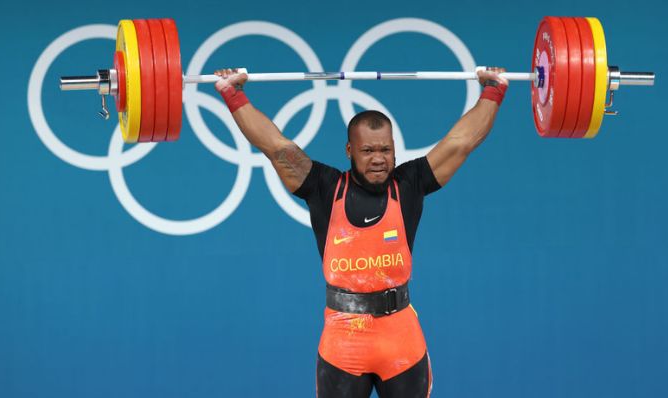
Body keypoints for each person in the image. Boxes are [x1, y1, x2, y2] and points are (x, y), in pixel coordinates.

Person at [214, 67, 509, 398]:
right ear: (349, 151)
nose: (379, 159)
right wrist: (232, 92)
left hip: (401, 341)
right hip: (343, 343)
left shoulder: (409, 184)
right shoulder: (324, 188)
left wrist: (493, 90)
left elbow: (462, 142)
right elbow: (274, 145)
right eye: (368, 151)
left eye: (385, 150)